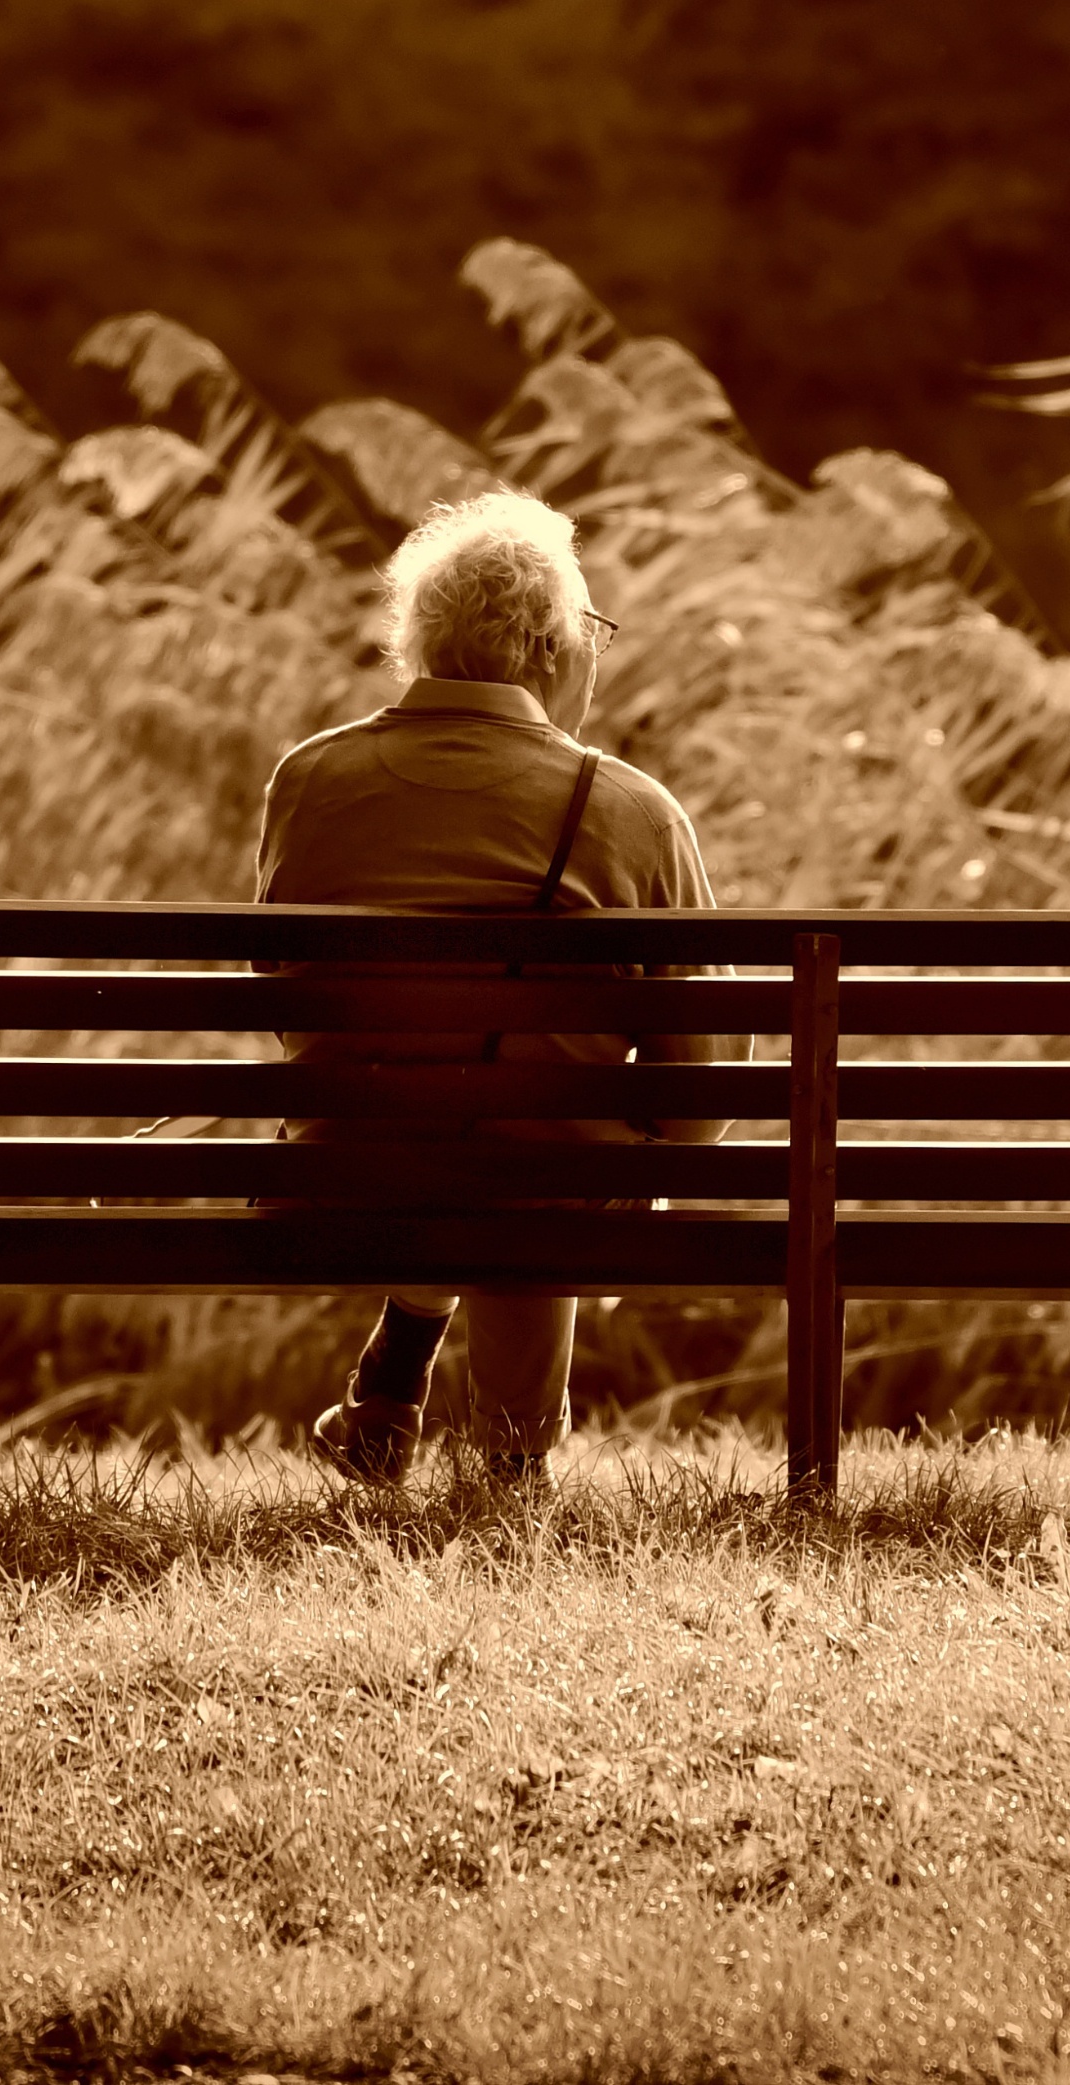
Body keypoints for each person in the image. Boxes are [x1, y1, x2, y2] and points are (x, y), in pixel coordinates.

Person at [255, 489, 742, 1484]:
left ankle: (391, 1395)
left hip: (344, 1177)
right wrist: (639, 1139)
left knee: (475, 1131)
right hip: (553, 1189)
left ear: (419, 642)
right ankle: (513, 1462)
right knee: (544, 1138)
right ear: (554, 648)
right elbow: (703, 1082)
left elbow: (290, 1008)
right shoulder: (632, 810)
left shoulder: (311, 778)